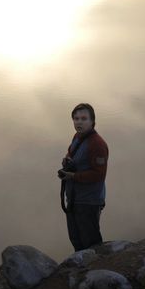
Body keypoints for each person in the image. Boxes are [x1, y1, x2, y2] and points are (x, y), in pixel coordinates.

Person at [58, 103, 109, 252]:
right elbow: (71, 151)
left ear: (93, 121)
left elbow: (99, 174)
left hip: (88, 201)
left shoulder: (98, 144)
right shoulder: (77, 136)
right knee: (75, 238)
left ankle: (97, 270)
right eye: (76, 118)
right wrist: (67, 160)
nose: (79, 122)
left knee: (90, 241)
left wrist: (73, 176)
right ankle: (81, 268)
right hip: (73, 197)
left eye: (84, 118)